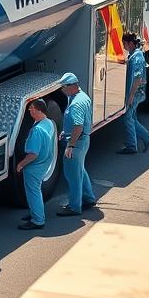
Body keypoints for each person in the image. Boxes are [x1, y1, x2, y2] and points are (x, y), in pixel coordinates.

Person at [58, 72, 97, 216]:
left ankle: (74, 207)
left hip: (77, 142)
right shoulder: (82, 96)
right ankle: (89, 198)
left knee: (73, 176)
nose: (62, 89)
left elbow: (78, 126)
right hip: (83, 140)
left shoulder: (76, 104)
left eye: (64, 87)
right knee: (80, 170)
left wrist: (70, 145)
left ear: (73, 86)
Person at [16, 99, 57, 230]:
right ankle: (35, 211)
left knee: (33, 192)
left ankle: (38, 220)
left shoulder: (37, 130)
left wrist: (21, 164)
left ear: (39, 110)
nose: (29, 110)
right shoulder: (49, 123)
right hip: (44, 163)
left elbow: (33, 154)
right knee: (35, 191)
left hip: (35, 166)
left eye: (32, 108)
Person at [119, 33, 149, 155]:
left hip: (136, 93)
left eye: (124, 44)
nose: (124, 46)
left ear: (130, 43)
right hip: (135, 93)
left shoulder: (137, 57)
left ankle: (132, 146)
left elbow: (138, 78)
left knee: (128, 118)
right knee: (132, 117)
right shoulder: (134, 55)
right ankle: (146, 138)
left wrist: (131, 96)